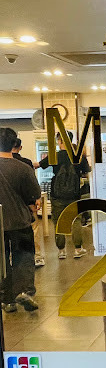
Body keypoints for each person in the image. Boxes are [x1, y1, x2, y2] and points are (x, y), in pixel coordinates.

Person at [0, 128, 41, 312]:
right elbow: (34, 198)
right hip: (20, 221)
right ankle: (24, 291)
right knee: (23, 256)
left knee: (2, 261)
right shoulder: (23, 168)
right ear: (14, 144)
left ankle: (6, 300)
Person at [37, 131, 90, 259]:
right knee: (76, 220)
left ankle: (61, 251)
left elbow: (38, 165)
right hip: (74, 194)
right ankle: (78, 249)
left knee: (58, 221)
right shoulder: (79, 156)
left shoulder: (55, 156)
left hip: (57, 195)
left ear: (59, 141)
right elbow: (86, 171)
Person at [12, 138, 45, 267]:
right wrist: (35, 199)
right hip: (27, 203)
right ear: (20, 147)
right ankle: (37, 256)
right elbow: (32, 184)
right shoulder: (26, 163)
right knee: (34, 228)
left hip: (8, 205)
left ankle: (12, 258)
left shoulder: (3, 164)